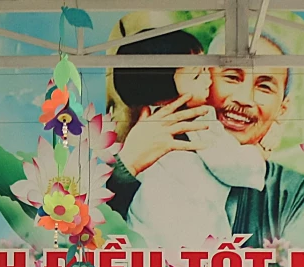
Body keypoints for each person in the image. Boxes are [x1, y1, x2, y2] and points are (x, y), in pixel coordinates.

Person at [110, 31, 266, 252]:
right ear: (165, 88)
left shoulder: (145, 126)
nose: (208, 78)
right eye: (197, 75)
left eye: (206, 69)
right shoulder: (194, 122)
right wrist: (257, 156)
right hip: (184, 229)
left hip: (152, 229)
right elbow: (232, 165)